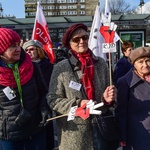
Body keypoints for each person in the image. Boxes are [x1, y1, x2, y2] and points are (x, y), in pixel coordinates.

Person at [46, 23, 117, 150]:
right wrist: (78, 104)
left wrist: (108, 98)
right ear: (69, 44)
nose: (81, 41)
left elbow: (111, 90)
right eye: (76, 39)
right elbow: (52, 99)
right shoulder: (61, 68)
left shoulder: (101, 63)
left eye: (84, 37)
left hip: (101, 128)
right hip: (74, 134)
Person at [0, 28, 51, 150]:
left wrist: (44, 107)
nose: (18, 49)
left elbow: (44, 92)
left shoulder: (32, 66)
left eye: (18, 44)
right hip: (10, 136)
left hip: (35, 129)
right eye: (12, 46)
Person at [115, 47, 150, 150]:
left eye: (148, 60)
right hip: (138, 136)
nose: (145, 65)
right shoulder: (125, 82)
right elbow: (121, 112)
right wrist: (122, 136)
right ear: (134, 64)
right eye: (140, 62)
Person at [23, 40, 55, 150]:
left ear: (39, 50)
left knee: (46, 136)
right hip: (31, 106)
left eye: (31, 49)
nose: (29, 52)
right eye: (26, 50)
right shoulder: (24, 67)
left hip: (45, 103)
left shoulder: (48, 66)